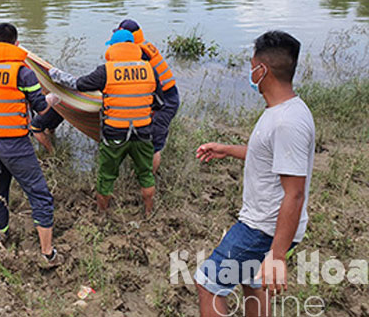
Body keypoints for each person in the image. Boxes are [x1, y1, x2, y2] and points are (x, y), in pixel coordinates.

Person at [194, 31, 315, 317]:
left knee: (208, 285)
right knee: (253, 284)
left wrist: (276, 255)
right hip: (266, 224)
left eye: (251, 66)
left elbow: (295, 193)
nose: (249, 72)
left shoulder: (287, 122)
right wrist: (226, 149)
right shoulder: (283, 111)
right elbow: (271, 157)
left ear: (263, 70)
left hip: (262, 227)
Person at [49, 29, 164, 217]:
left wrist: (54, 74)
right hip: (143, 133)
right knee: (146, 175)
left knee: (106, 177)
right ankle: (149, 213)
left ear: (114, 47)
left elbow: (78, 84)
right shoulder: (149, 70)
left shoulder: (106, 71)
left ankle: (102, 214)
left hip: (114, 136)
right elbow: (159, 104)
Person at [0, 22, 63, 269]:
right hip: (15, 145)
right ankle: (48, 254)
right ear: (16, 44)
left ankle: (0, 236)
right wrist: (52, 99)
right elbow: (40, 107)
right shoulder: (22, 72)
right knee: (39, 195)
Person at [115, 19, 180, 175]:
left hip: (165, 101)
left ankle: (147, 181)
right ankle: (141, 172)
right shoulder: (143, 45)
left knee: (153, 144)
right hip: (162, 96)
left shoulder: (140, 54)